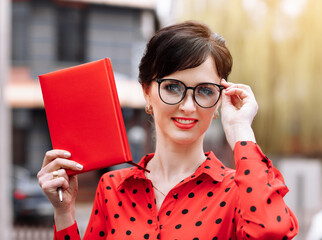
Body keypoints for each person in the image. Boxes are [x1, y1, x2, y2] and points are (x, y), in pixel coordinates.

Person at [37, 21, 299, 240]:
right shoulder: (113, 188)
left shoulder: (238, 191)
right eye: (172, 87)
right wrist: (63, 213)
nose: (187, 106)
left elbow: (272, 231)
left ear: (220, 100)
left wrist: (241, 130)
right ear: (148, 93)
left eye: (205, 91)